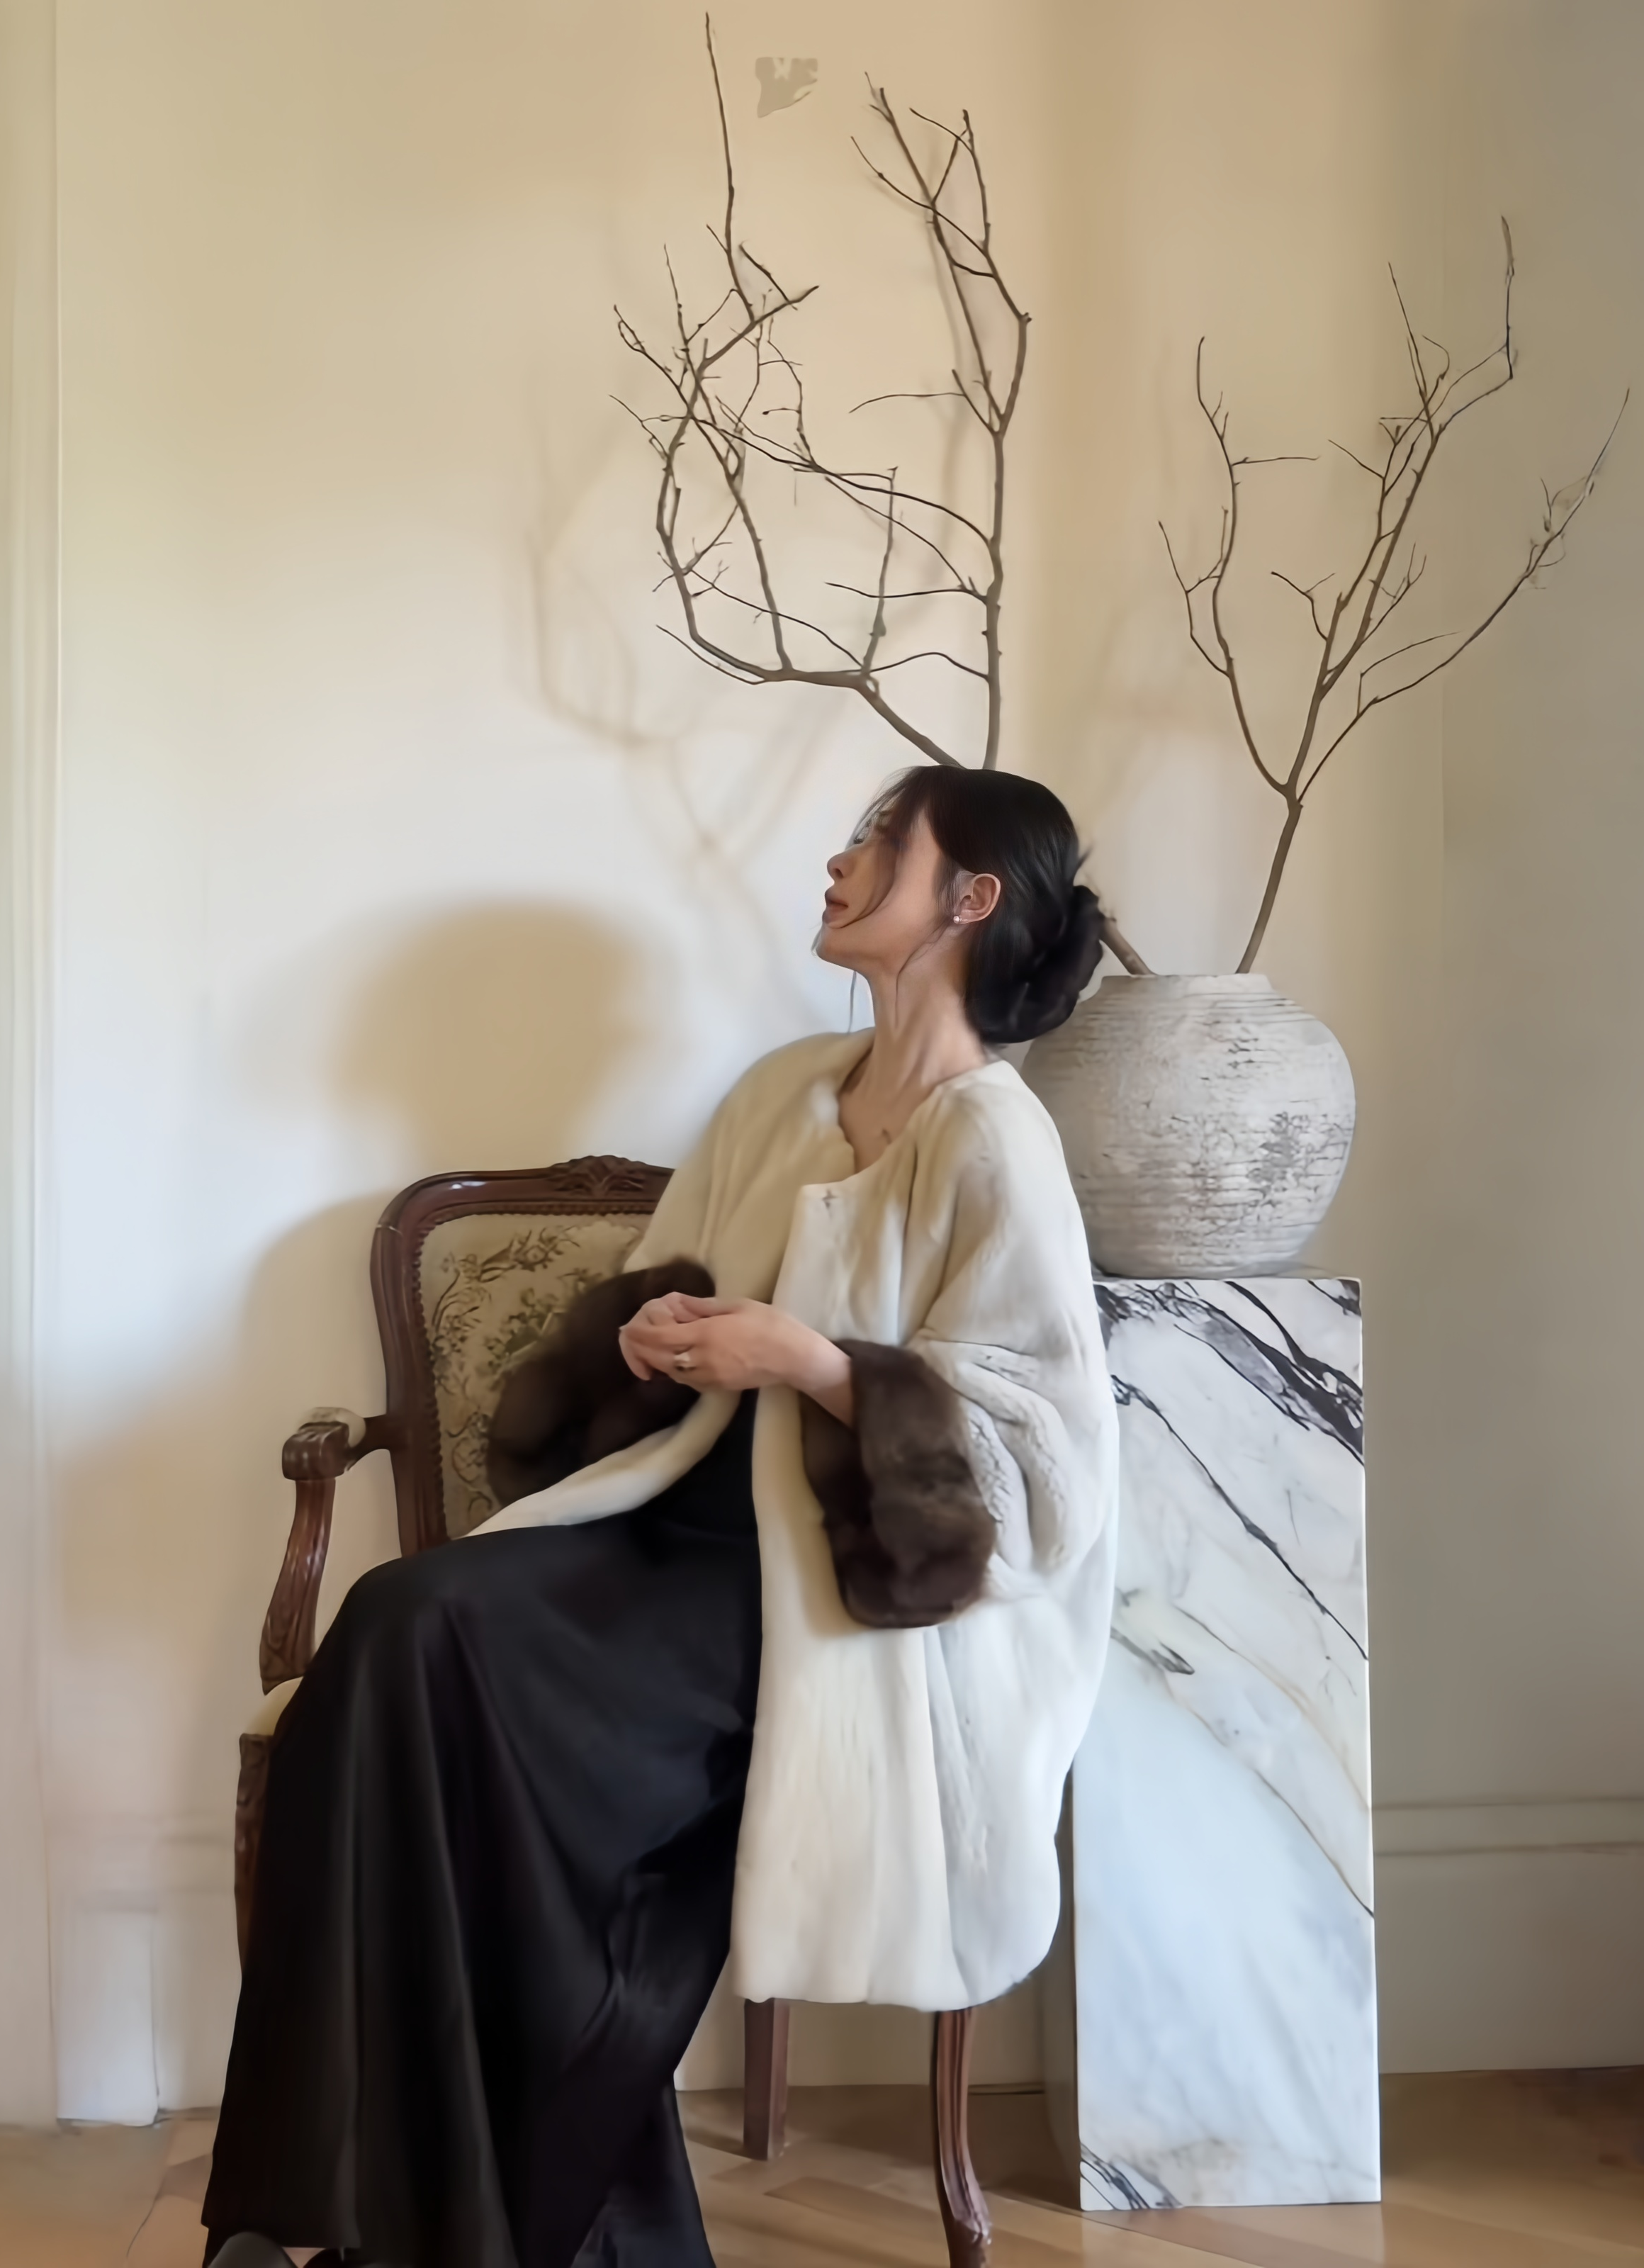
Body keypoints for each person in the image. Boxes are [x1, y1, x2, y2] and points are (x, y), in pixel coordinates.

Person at [203, 767, 1119, 2268]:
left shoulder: (998, 1143)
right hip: (665, 1526)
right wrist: (646, 1334)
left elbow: (1045, 1477)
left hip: (815, 1599)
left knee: (498, 1746)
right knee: (400, 1625)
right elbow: (668, 1285)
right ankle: (311, 2208)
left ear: (970, 899)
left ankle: (492, 2225)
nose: (837, 862)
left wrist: (816, 1364)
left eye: (878, 843)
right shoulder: (778, 1096)